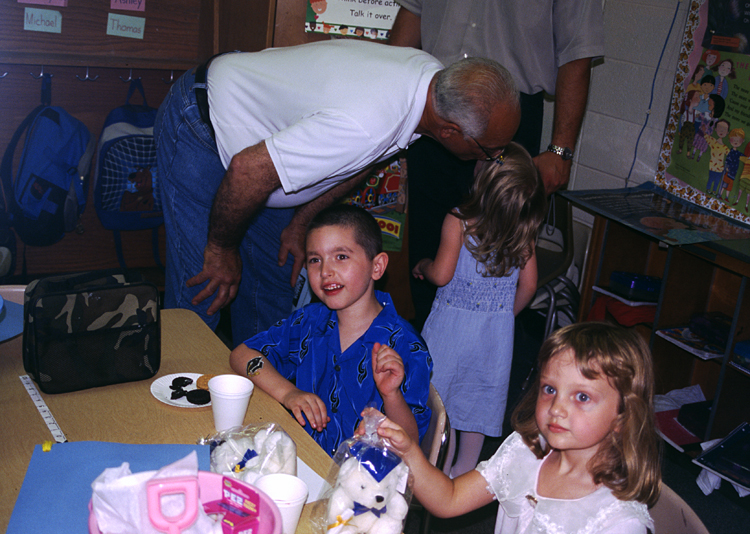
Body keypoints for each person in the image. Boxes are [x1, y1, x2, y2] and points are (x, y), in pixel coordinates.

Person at [155, 39, 521, 348]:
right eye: (490, 151)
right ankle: (172, 416)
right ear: (450, 132)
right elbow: (246, 172)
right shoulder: (368, 122)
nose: (494, 158)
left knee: (271, 286)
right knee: (205, 288)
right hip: (204, 125)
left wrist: (300, 222)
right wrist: (222, 248)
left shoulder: (431, 83)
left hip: (260, 148)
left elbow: (363, 161)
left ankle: (261, 413)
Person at [388, 0, 604, 331]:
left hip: (509, 112)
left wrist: (560, 151)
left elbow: (578, 47)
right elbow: (414, 11)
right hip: (436, 102)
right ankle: (424, 354)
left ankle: (481, 337)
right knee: (427, 241)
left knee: (498, 259)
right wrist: (388, 102)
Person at [364, 322, 662, 534]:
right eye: (549, 389)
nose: (557, 408)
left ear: (623, 416)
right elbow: (449, 499)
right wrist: (410, 452)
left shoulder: (618, 522)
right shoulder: (524, 451)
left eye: (582, 397)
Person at [228, 204, 432, 457]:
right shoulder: (309, 321)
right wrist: (288, 392)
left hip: (360, 482)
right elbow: (242, 354)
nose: (325, 272)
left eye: (341, 256)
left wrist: (391, 396)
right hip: (303, 458)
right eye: (315, 260)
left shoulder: (405, 345)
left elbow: (411, 445)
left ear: (377, 267)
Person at [411, 142, 546, 477]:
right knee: (478, 402)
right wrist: (502, 315)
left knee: (443, 402)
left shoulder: (459, 220)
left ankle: (437, 474)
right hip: (494, 336)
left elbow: (441, 275)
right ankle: (464, 474)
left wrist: (423, 265)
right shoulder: (522, 231)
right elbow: (529, 286)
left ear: (480, 175)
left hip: (451, 331)